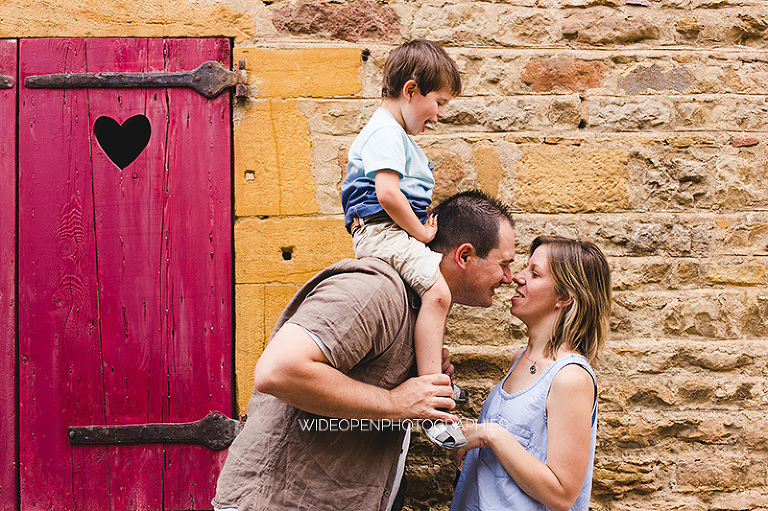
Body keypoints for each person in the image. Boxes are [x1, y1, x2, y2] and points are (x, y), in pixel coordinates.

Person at [212, 190, 516, 511]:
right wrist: (395, 401)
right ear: (464, 256)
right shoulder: (376, 290)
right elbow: (278, 371)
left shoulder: (418, 312)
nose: (509, 278)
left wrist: (413, 384)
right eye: (504, 264)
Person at [340, 39, 466, 448]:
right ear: (411, 91)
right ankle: (434, 403)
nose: (441, 114)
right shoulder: (386, 132)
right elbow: (388, 194)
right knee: (439, 294)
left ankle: (431, 377)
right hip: (384, 232)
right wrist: (422, 233)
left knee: (423, 302)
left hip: (389, 231)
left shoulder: (394, 134)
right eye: (439, 102)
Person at [450, 236, 612, 511]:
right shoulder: (521, 359)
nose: (517, 277)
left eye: (534, 274)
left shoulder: (570, 377)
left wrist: (492, 435)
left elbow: (562, 495)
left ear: (564, 297)